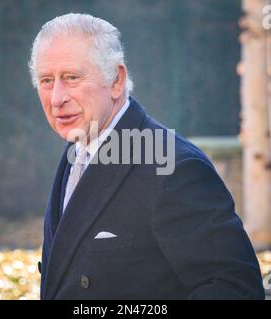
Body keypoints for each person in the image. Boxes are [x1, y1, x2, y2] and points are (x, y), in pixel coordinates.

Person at [28, 13, 264, 300]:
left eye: (71, 78)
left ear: (116, 80)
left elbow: (235, 289)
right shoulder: (77, 151)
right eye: (46, 80)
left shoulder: (174, 167)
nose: (56, 98)